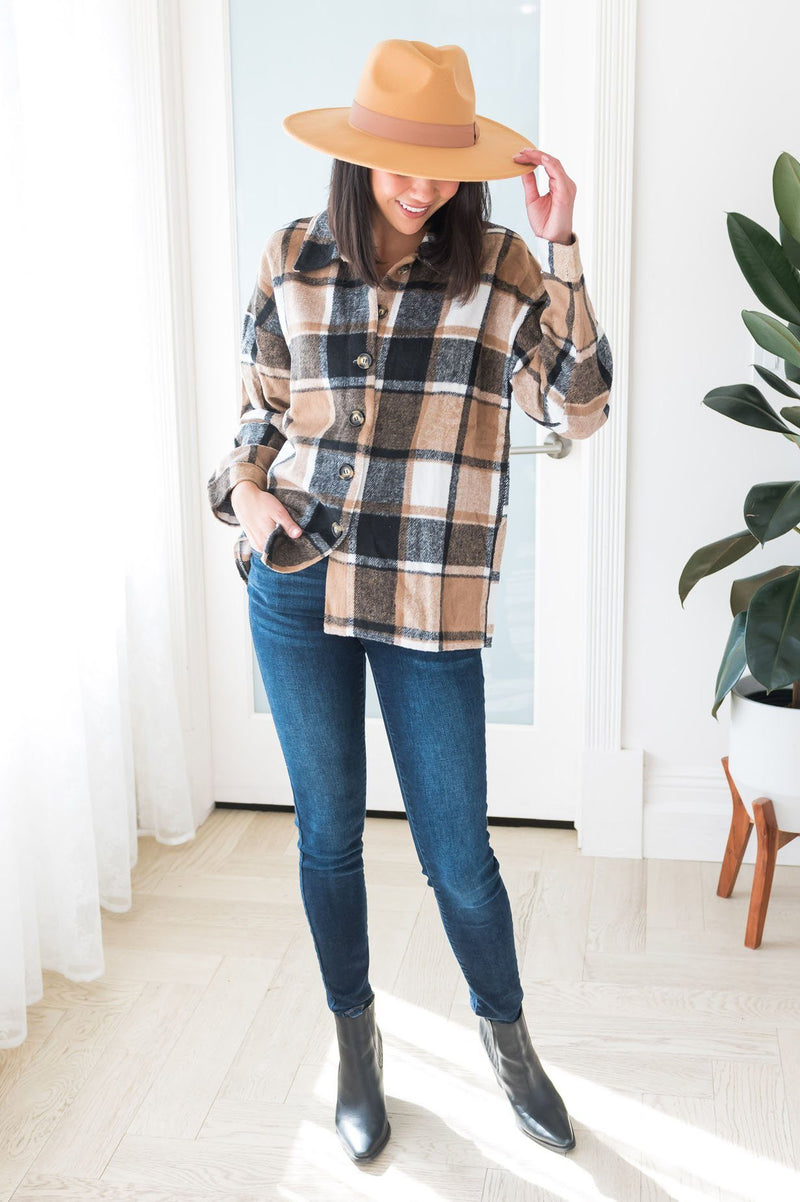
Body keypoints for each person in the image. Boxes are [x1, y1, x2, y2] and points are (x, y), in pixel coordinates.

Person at [207, 38, 612, 1163]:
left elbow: (579, 406)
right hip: (298, 580)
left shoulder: (503, 268)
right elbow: (260, 409)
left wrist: (562, 244)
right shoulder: (292, 254)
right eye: (399, 161)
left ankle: (509, 1042)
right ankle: (356, 1040)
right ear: (358, 152)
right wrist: (247, 499)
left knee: (457, 854)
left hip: (429, 598)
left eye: (442, 165)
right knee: (327, 837)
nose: (421, 185)